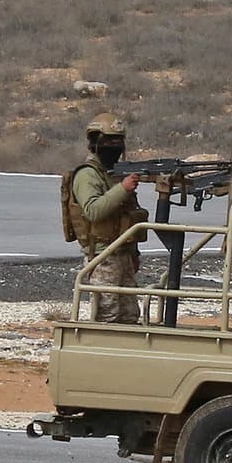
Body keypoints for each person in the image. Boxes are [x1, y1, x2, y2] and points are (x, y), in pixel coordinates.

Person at [62, 112, 149, 324]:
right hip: (103, 255)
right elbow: (93, 210)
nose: (115, 146)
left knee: (129, 314)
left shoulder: (111, 174)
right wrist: (123, 188)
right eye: (110, 141)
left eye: (119, 141)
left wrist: (133, 252)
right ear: (95, 143)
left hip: (122, 253)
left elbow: (127, 216)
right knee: (107, 315)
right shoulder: (87, 175)